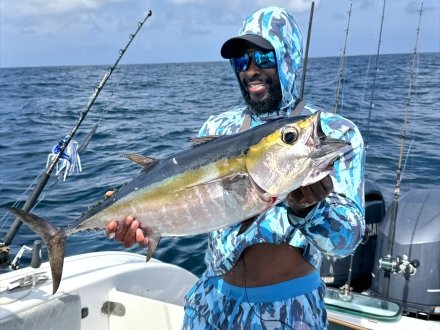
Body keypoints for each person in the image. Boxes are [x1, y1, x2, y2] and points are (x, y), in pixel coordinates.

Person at [105, 6, 365, 330]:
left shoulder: (332, 133)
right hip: (210, 303)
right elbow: (189, 205)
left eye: (265, 58)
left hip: (288, 311)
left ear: (289, 58)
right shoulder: (218, 126)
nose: (251, 70)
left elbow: (345, 242)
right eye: (242, 61)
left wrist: (309, 211)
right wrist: (145, 222)